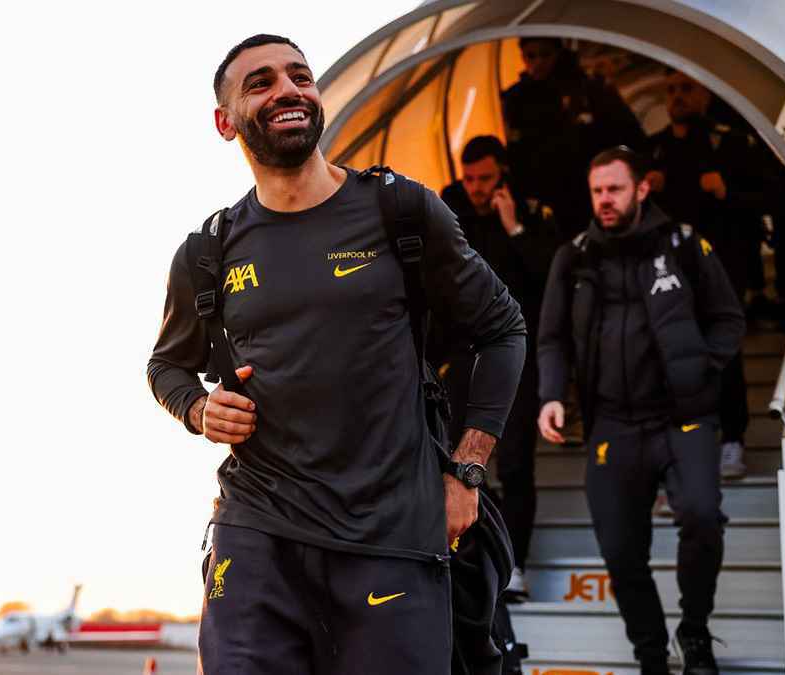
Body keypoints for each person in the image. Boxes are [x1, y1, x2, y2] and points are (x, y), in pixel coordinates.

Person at [146, 34, 527, 674]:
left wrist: (466, 472)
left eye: (300, 76)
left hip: (391, 533)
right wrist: (198, 409)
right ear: (225, 122)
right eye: (261, 83)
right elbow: (166, 367)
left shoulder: (400, 210)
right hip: (258, 528)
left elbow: (504, 329)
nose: (287, 90)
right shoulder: (207, 252)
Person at [536, 147, 746, 674]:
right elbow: (552, 338)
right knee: (620, 549)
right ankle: (650, 653)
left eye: (615, 189)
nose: (604, 200)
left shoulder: (683, 244)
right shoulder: (574, 257)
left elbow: (728, 318)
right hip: (612, 424)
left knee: (701, 515)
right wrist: (552, 395)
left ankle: (694, 632)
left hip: (682, 417)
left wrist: (702, 367)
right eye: (597, 191)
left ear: (642, 189)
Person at [439, 135, 561, 602]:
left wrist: (515, 229)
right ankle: (473, 560)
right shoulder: (447, 207)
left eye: (485, 178)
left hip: (514, 355)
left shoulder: (528, 209)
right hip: (460, 355)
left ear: (502, 173)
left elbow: (551, 281)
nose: (476, 187)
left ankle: (515, 566)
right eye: (469, 178)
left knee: (514, 463)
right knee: (458, 459)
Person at [643, 69, 767, 479]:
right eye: (671, 90)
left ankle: (732, 438)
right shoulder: (653, 150)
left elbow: (766, 201)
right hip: (670, 272)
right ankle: (687, 443)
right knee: (673, 353)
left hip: (723, 267)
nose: (677, 96)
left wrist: (725, 191)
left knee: (723, 350)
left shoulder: (729, 143)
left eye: (686, 88)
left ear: (705, 95)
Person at [502, 37, 646, 236]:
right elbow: (515, 152)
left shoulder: (588, 89)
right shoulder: (516, 98)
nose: (538, 62)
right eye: (531, 56)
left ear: (558, 53)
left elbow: (628, 133)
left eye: (545, 54)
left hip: (587, 191)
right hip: (543, 196)